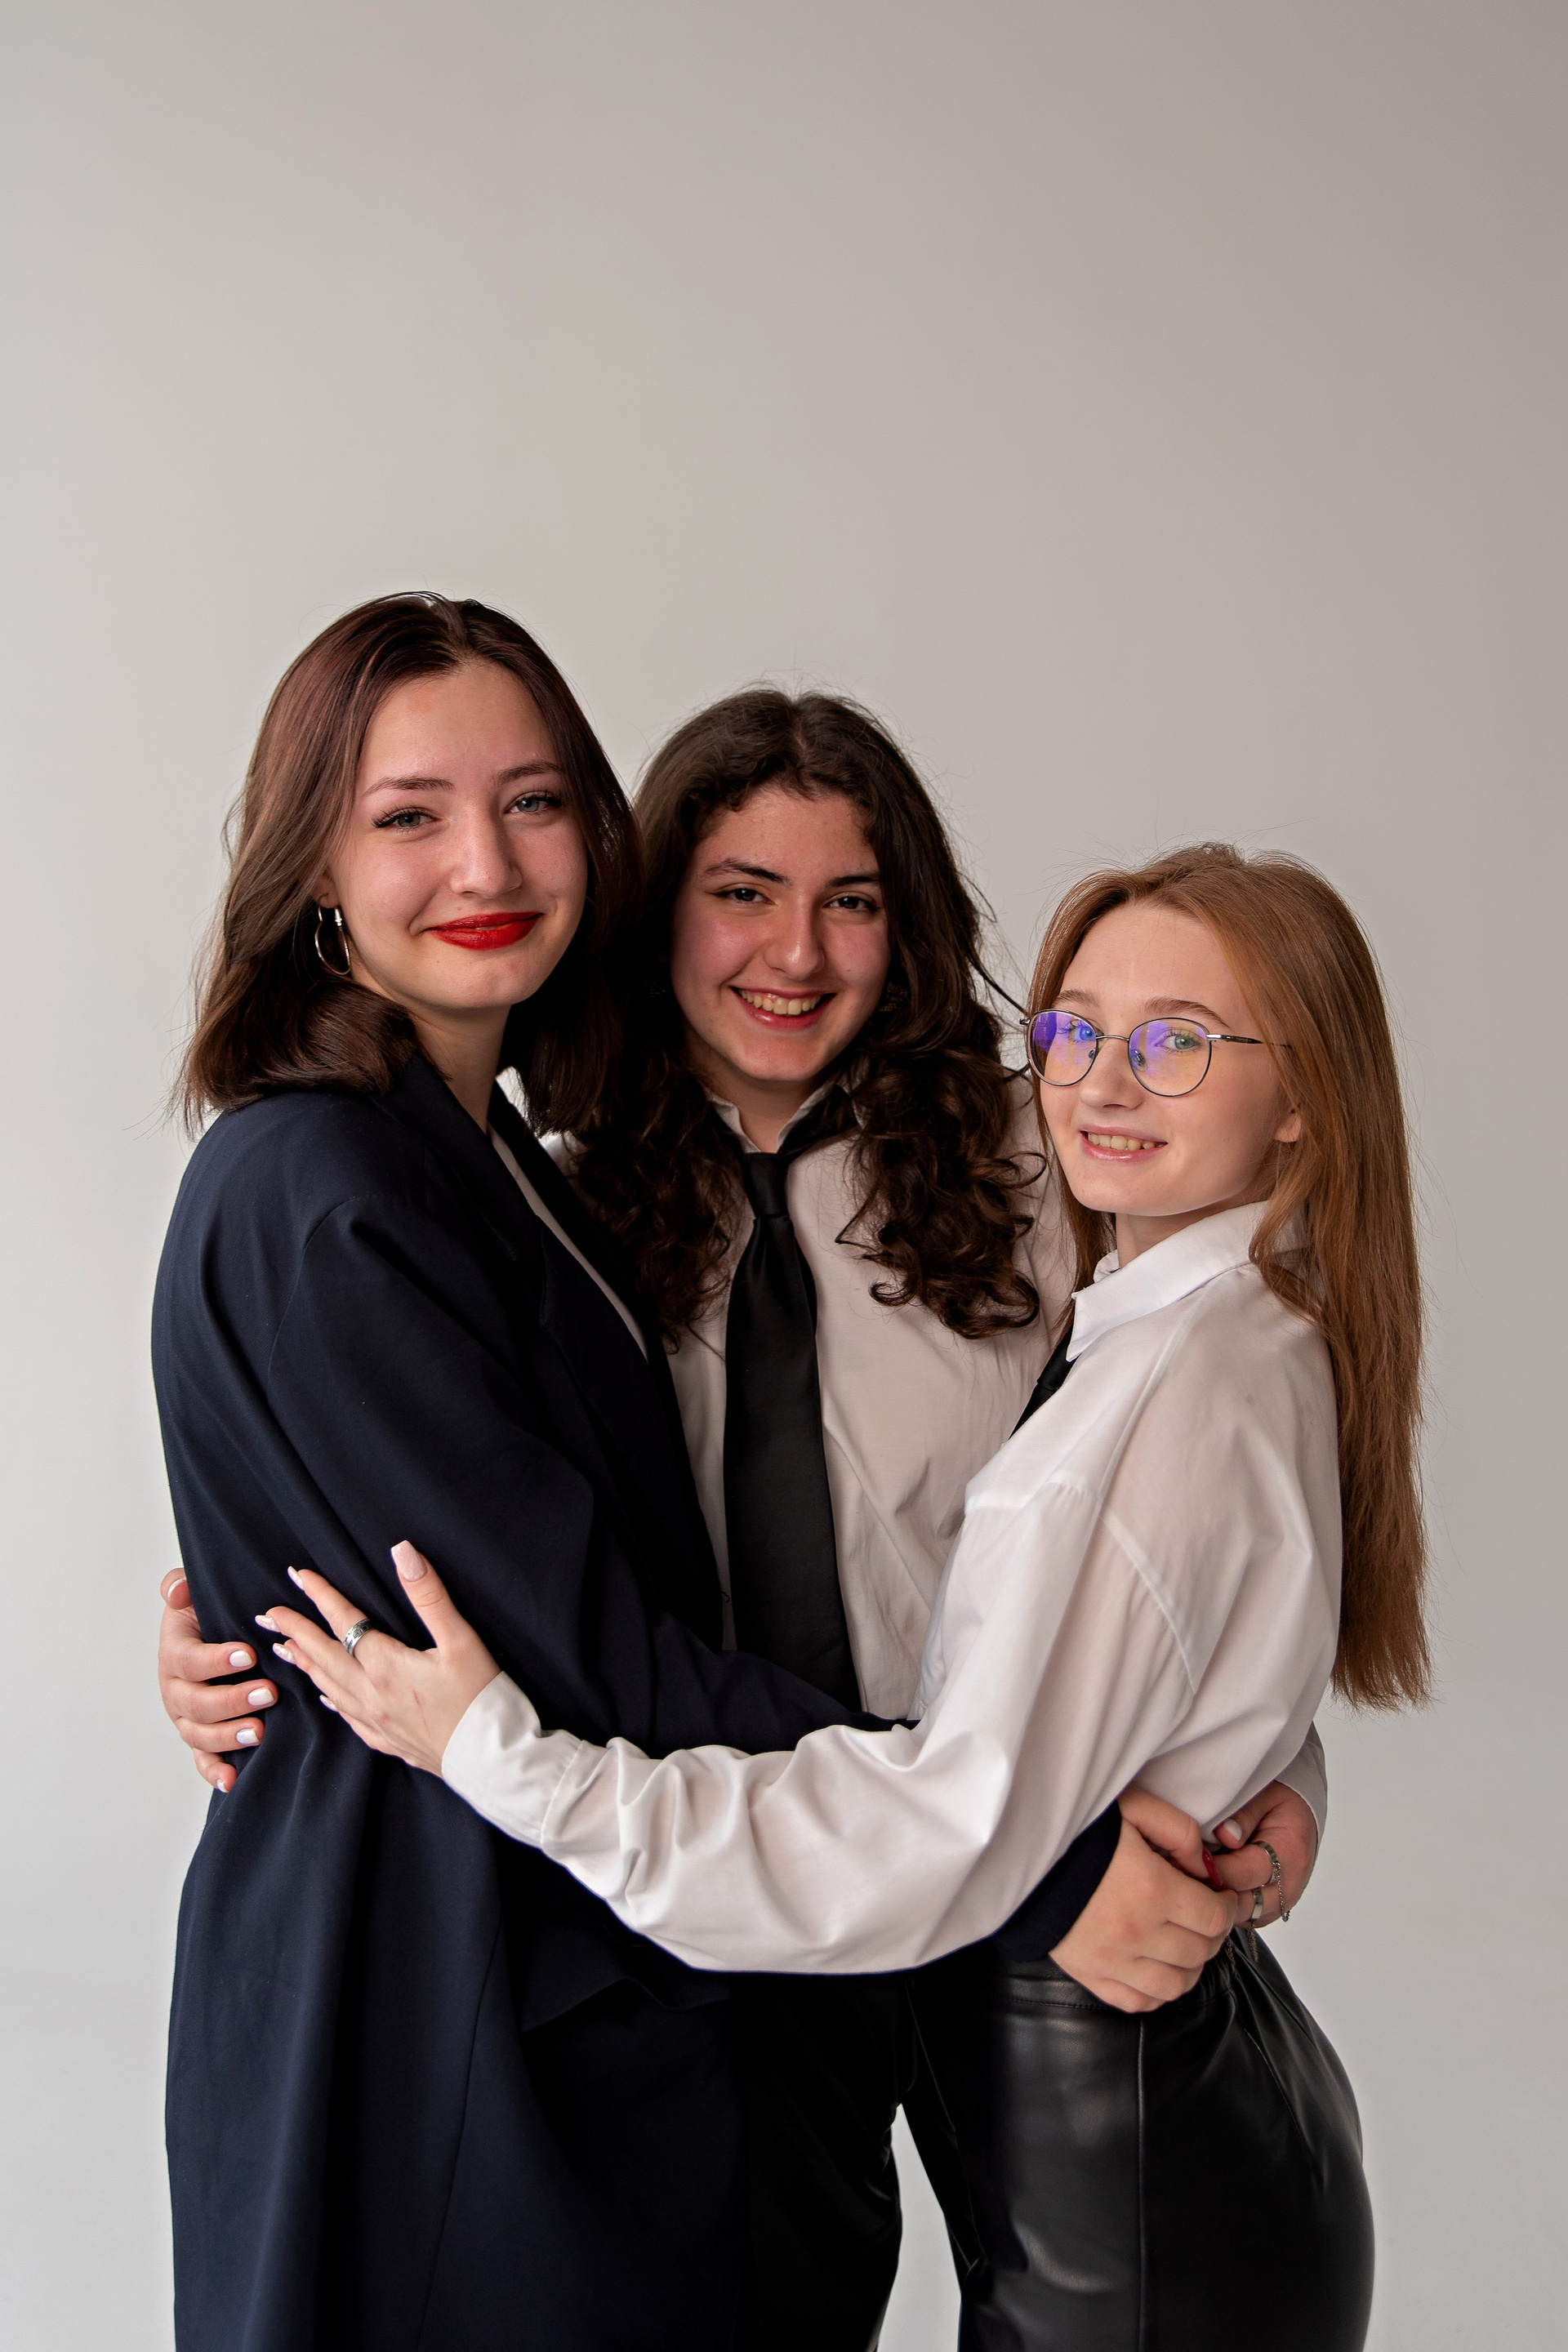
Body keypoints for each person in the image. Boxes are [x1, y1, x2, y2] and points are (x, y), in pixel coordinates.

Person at [158, 688, 1322, 2346]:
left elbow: (1190, 1506)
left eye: (852, 900)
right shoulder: (556, 1200)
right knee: (775, 2294)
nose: (797, 952)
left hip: (1028, 1857)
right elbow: (459, 1537)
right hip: (717, 1867)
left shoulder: (1049, 1159)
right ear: (657, 911)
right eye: (742, 894)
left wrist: (1272, 1769)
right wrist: (230, 1625)